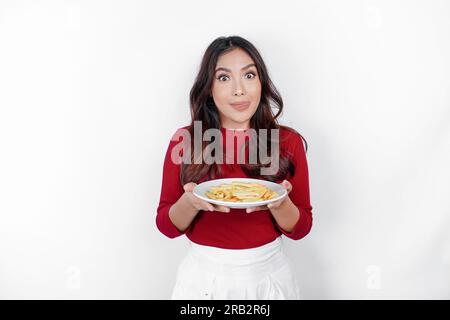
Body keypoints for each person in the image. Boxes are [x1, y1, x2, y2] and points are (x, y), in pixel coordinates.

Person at [156, 35, 313, 300]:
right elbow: (167, 226)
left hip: (269, 277)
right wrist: (191, 201)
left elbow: (302, 228)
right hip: (203, 280)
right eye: (224, 78)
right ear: (208, 88)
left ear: (261, 82)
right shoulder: (185, 141)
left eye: (249, 75)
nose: (239, 90)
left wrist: (279, 203)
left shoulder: (287, 141)